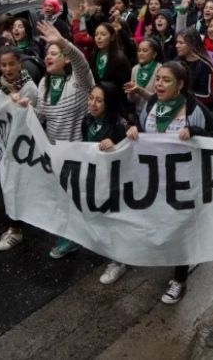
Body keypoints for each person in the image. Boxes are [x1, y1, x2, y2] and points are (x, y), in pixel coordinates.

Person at [126, 60, 213, 304]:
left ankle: (179, 280)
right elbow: (142, 131)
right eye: (158, 79)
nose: (159, 84)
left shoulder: (195, 109)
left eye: (166, 80)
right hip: (154, 182)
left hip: (184, 185)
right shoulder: (150, 104)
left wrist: (196, 132)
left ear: (180, 85)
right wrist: (134, 130)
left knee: (180, 231)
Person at [0, 22, 95, 255]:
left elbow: (81, 61)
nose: (48, 57)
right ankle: (69, 237)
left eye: (54, 53)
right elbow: (40, 116)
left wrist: (62, 42)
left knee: (78, 197)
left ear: (66, 59)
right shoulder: (44, 83)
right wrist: (25, 107)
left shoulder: (79, 81)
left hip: (78, 150)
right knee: (60, 196)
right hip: (54, 152)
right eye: (47, 53)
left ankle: (92, 241)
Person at [81, 82, 131, 284]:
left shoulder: (120, 124)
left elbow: (132, 150)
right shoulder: (87, 120)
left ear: (109, 103)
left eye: (99, 100)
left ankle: (118, 262)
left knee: (115, 221)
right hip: (96, 177)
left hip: (116, 181)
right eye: (91, 98)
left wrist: (116, 144)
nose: (93, 104)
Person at [174, 27, 213, 113]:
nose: (177, 46)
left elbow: (207, 95)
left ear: (192, 44)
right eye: (177, 42)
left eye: (181, 43)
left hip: (199, 110)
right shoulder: (177, 61)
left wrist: (182, 95)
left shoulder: (205, 66)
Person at [124, 37, 164, 113]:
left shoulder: (160, 69)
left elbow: (157, 98)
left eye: (145, 51)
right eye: (139, 50)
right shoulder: (135, 69)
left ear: (154, 54)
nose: (141, 53)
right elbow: (132, 100)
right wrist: (131, 92)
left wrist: (140, 90)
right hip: (138, 111)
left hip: (154, 111)